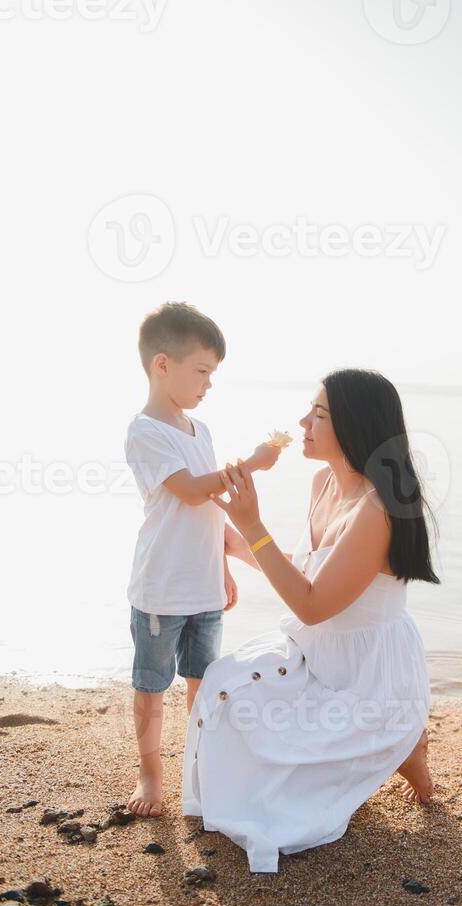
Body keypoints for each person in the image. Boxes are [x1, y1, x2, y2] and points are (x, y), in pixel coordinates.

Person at [182, 368, 440, 872]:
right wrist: (236, 546)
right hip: (314, 652)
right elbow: (305, 573)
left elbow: (312, 604)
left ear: (354, 426)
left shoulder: (378, 510)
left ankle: (406, 741)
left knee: (287, 802)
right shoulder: (323, 482)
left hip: (367, 676)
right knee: (224, 689)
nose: (303, 422)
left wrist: (252, 524)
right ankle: (393, 748)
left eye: (319, 415)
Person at [124, 301, 282, 818]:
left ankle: (200, 768)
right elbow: (191, 491)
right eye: (202, 372)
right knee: (151, 687)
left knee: (202, 684)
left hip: (204, 589)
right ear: (162, 365)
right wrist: (251, 465)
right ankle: (151, 776)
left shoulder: (202, 430)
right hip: (162, 590)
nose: (208, 384)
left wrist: (224, 564)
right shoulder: (145, 431)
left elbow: (211, 510)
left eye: (213, 374)